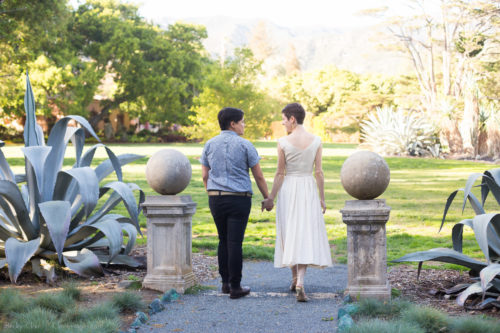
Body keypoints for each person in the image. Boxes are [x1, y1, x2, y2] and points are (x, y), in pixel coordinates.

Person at [262, 103, 332, 302]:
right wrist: (322, 197)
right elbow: (318, 172)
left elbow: (279, 173)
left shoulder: (283, 142)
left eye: (284, 120)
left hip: (289, 189)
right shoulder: (316, 140)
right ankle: (298, 279)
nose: (283, 123)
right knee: (304, 232)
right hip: (308, 187)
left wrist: (271, 198)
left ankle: (296, 278)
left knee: (290, 230)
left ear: (292, 118)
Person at [201, 107, 271, 299]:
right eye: (242, 121)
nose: (244, 125)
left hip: (216, 198)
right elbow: (258, 175)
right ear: (232, 124)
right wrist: (268, 197)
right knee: (234, 242)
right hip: (238, 199)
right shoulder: (245, 145)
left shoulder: (209, 144)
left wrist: (212, 192)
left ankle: (225, 283)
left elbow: (205, 175)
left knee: (222, 240)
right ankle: (235, 286)